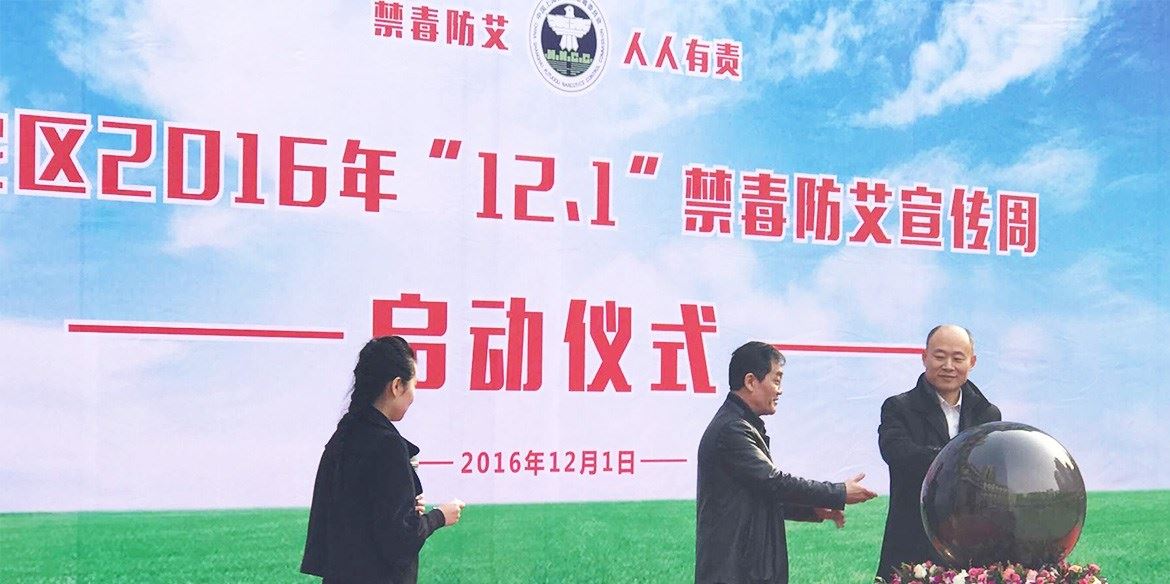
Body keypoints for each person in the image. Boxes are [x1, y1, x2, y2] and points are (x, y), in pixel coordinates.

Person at [696, 341, 877, 584]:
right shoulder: (732, 429)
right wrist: (839, 492)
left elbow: (760, 496)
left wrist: (812, 510)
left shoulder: (739, 424)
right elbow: (774, 482)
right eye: (776, 380)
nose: (780, 391)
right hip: (735, 573)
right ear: (751, 381)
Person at [301, 336, 466, 584]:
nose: (414, 395)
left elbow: (353, 514)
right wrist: (439, 516)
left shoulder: (344, 435)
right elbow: (401, 539)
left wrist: (405, 506)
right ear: (397, 386)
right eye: (414, 385)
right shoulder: (387, 445)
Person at [875, 325, 1002, 580]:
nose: (948, 366)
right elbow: (898, 454)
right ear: (924, 357)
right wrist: (960, 461)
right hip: (912, 539)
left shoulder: (988, 414)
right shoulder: (899, 407)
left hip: (971, 544)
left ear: (972, 362)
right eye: (940, 356)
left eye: (958, 358)